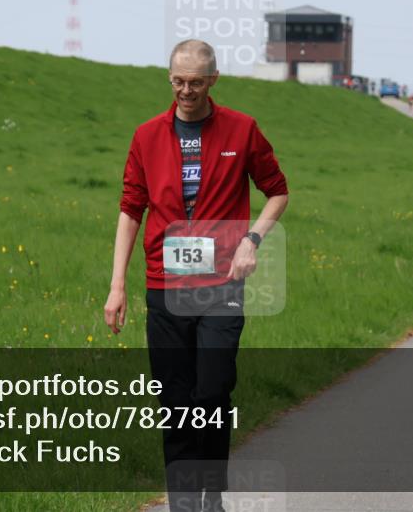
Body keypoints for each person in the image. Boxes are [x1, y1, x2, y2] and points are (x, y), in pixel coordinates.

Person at [104, 39, 289, 512]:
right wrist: (118, 285)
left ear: (213, 81)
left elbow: (277, 192)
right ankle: (186, 503)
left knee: (212, 391)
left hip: (221, 285)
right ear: (170, 79)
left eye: (195, 82)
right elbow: (130, 209)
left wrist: (252, 240)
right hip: (165, 287)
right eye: (178, 81)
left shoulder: (242, 130)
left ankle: (213, 492)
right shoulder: (147, 136)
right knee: (175, 401)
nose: (185, 91)